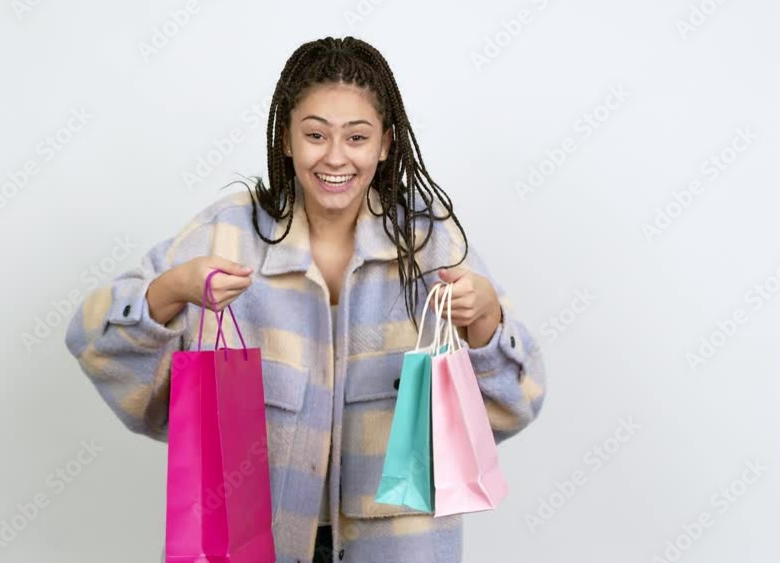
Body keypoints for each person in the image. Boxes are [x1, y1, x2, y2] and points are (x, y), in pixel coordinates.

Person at [64, 36, 547, 563]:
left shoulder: (430, 244)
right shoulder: (228, 231)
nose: (335, 157)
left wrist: (485, 321)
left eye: (356, 137)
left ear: (385, 143)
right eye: (315, 134)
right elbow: (95, 343)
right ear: (287, 139)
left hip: (400, 548)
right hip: (253, 545)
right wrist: (173, 289)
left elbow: (519, 401)